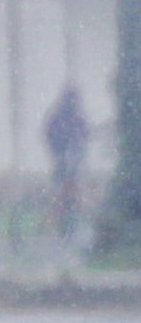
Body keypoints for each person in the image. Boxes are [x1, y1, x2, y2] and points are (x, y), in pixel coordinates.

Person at [44, 86, 89, 239]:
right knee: (67, 192)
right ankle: (60, 223)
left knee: (66, 193)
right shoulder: (69, 116)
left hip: (64, 160)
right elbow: (82, 133)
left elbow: (82, 132)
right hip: (66, 161)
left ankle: (64, 226)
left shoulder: (61, 116)